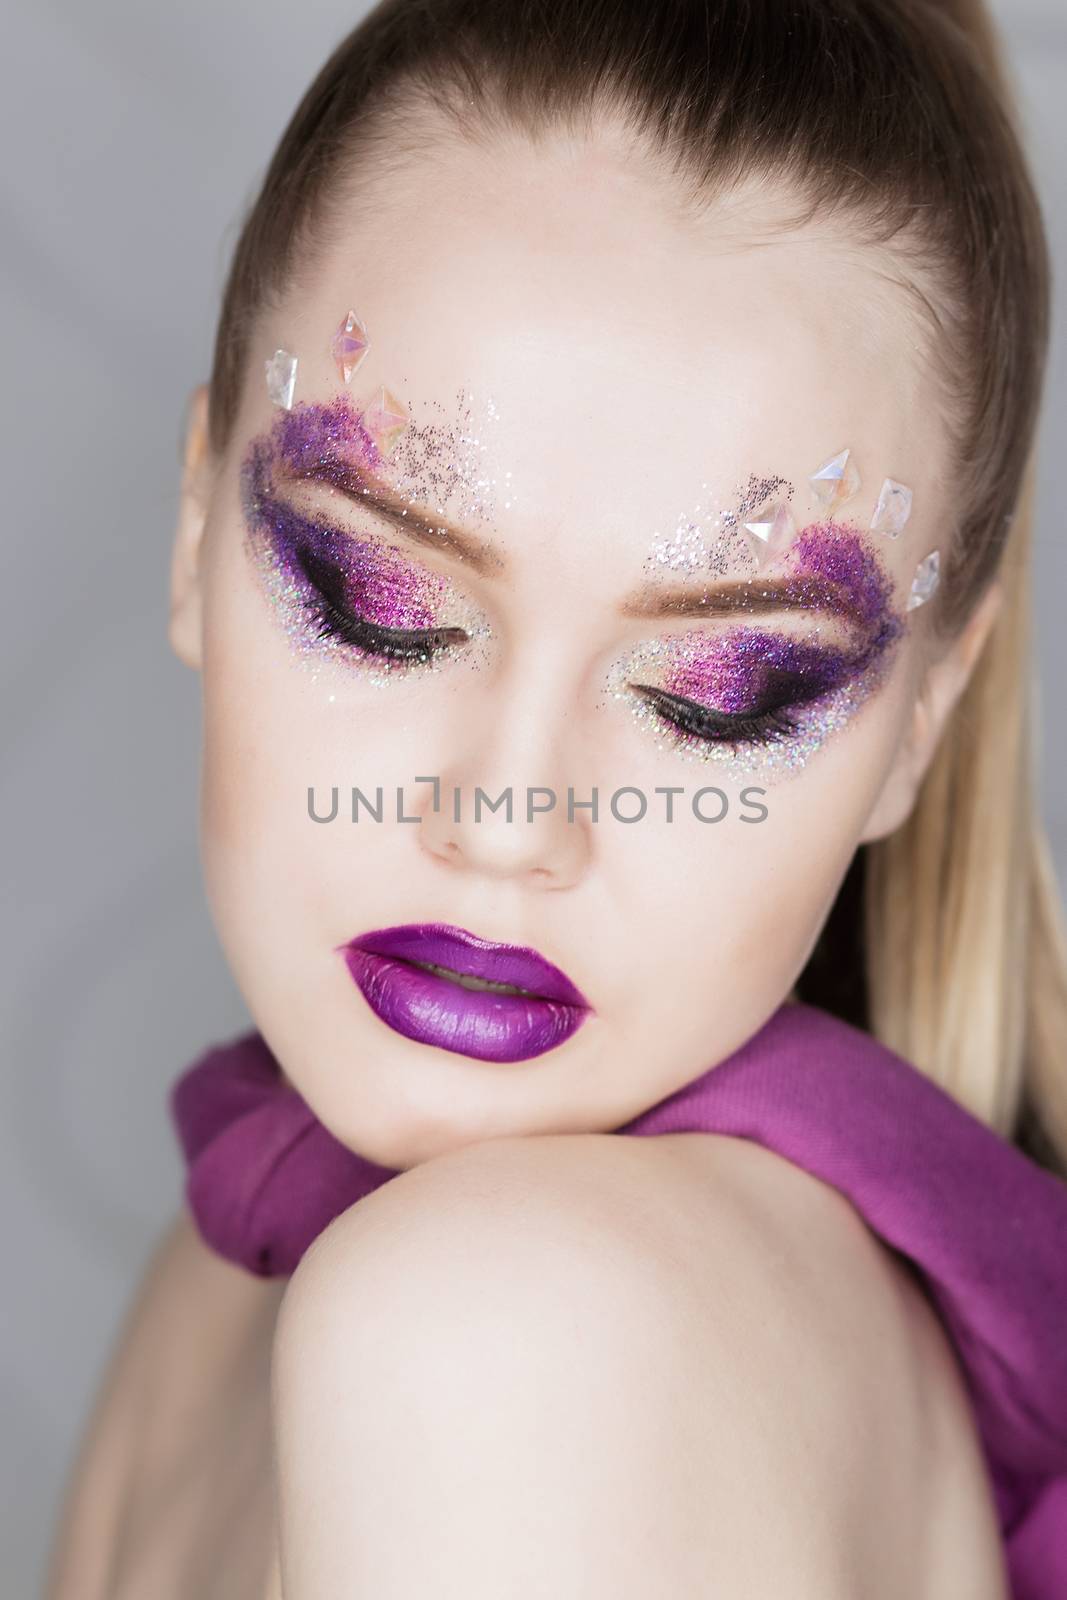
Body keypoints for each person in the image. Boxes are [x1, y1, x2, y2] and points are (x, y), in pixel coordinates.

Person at [44, 0, 1067, 1596]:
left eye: (720, 697)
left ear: (919, 724)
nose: (509, 815)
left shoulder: (510, 1331)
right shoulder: (219, 1283)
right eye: (379, 598)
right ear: (196, 533)